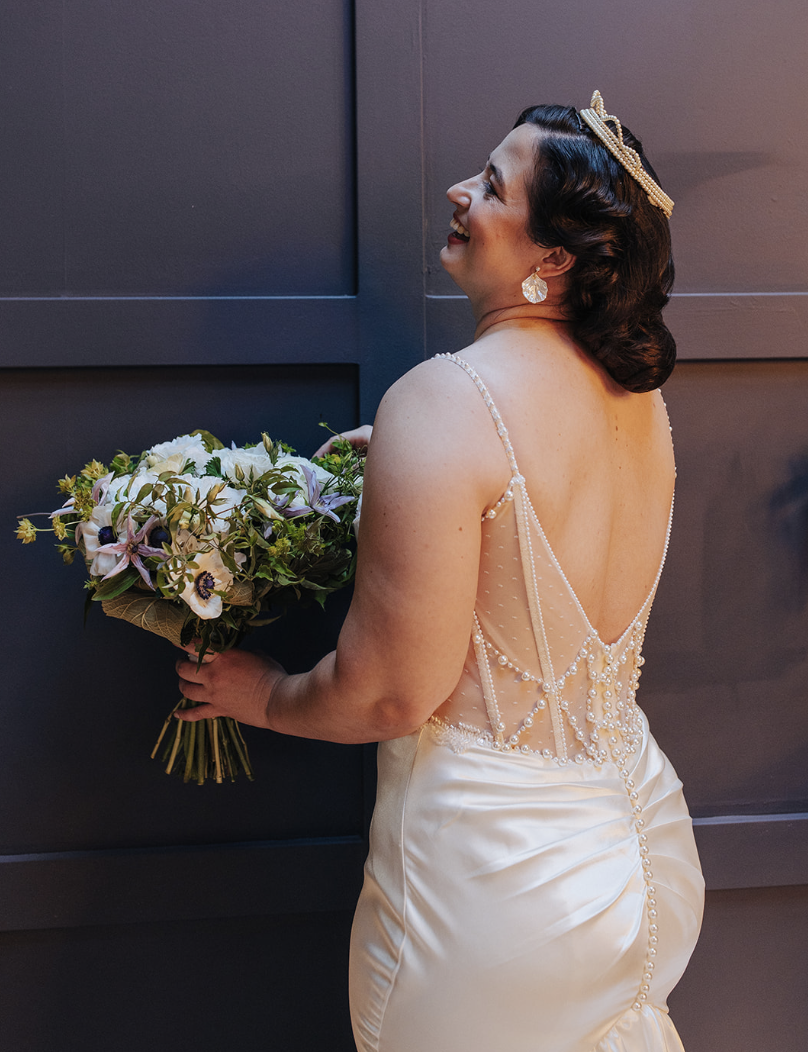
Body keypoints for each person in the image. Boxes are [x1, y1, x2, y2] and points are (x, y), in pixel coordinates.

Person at [174, 91, 705, 1052]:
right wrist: (416, 476)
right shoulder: (641, 403)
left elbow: (388, 697)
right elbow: (538, 526)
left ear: (553, 259)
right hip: (633, 848)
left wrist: (267, 695)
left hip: (496, 889)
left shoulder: (446, 403)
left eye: (493, 185)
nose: (461, 192)